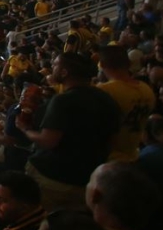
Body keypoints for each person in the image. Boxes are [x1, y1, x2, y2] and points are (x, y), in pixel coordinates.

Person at [18, 52, 120, 212]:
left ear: (64, 72)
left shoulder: (62, 101)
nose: (52, 67)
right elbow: (113, 140)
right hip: (86, 180)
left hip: (53, 179)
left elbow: (48, 141)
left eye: (55, 64)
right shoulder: (106, 98)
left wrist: (25, 129)